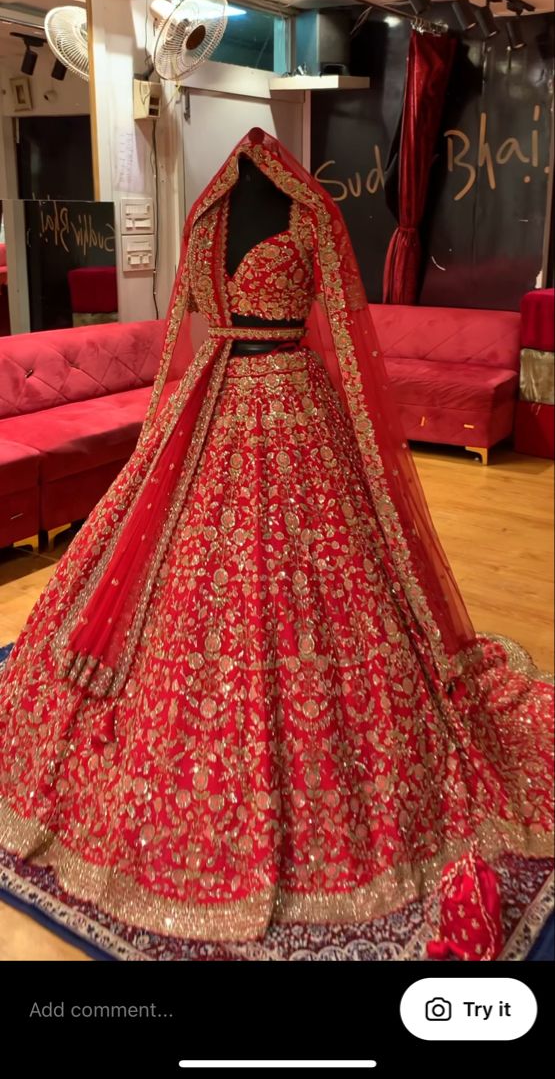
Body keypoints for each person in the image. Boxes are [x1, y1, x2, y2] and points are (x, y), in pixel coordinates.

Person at [0, 128, 552, 957]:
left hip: (289, 409)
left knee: (313, 589)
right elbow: (188, 333)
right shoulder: (215, 217)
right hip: (215, 405)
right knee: (192, 592)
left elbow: (351, 339)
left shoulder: (304, 214)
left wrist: (373, 457)